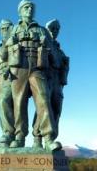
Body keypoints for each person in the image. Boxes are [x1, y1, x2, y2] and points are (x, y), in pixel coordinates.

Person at [5, 0, 56, 150]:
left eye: (31, 7)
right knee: (19, 103)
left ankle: (48, 138)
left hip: (37, 67)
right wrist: (9, 45)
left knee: (43, 100)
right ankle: (20, 136)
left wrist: (46, 44)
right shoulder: (13, 29)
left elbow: (53, 53)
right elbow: (3, 54)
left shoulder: (42, 30)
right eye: (26, 7)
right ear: (20, 11)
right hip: (18, 68)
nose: (29, 10)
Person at [43, 19, 69, 150]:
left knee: (56, 109)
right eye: (52, 28)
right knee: (44, 108)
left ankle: (52, 138)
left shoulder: (60, 51)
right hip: (46, 79)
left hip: (58, 83)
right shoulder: (43, 44)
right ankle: (39, 137)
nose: (54, 31)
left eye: (57, 29)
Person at [0, 19, 15, 148]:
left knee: (6, 102)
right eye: (2, 29)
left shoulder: (14, 42)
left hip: (11, 76)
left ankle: (10, 133)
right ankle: (7, 135)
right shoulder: (0, 45)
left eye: (7, 28)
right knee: (1, 108)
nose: (4, 31)